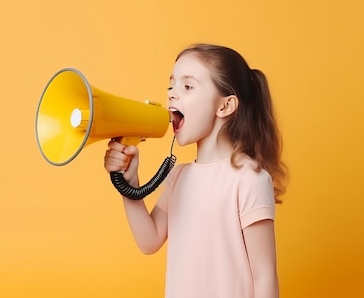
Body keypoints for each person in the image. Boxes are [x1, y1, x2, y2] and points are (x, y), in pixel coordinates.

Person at [103, 43, 288, 298]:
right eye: (171, 86)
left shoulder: (249, 179)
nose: (172, 95)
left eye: (187, 86)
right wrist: (129, 185)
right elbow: (149, 241)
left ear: (225, 106)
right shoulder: (178, 176)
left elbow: (264, 275)